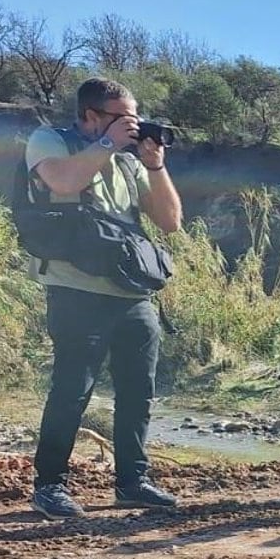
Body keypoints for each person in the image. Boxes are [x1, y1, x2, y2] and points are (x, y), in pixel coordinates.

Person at [25, 77, 183, 519]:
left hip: (131, 292)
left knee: (138, 390)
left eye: (134, 118)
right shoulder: (51, 141)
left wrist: (153, 164)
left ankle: (133, 481)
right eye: (122, 119)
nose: (131, 127)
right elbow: (61, 180)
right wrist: (107, 146)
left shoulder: (129, 163)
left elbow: (170, 221)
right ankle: (49, 485)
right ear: (91, 115)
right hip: (75, 288)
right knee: (72, 390)